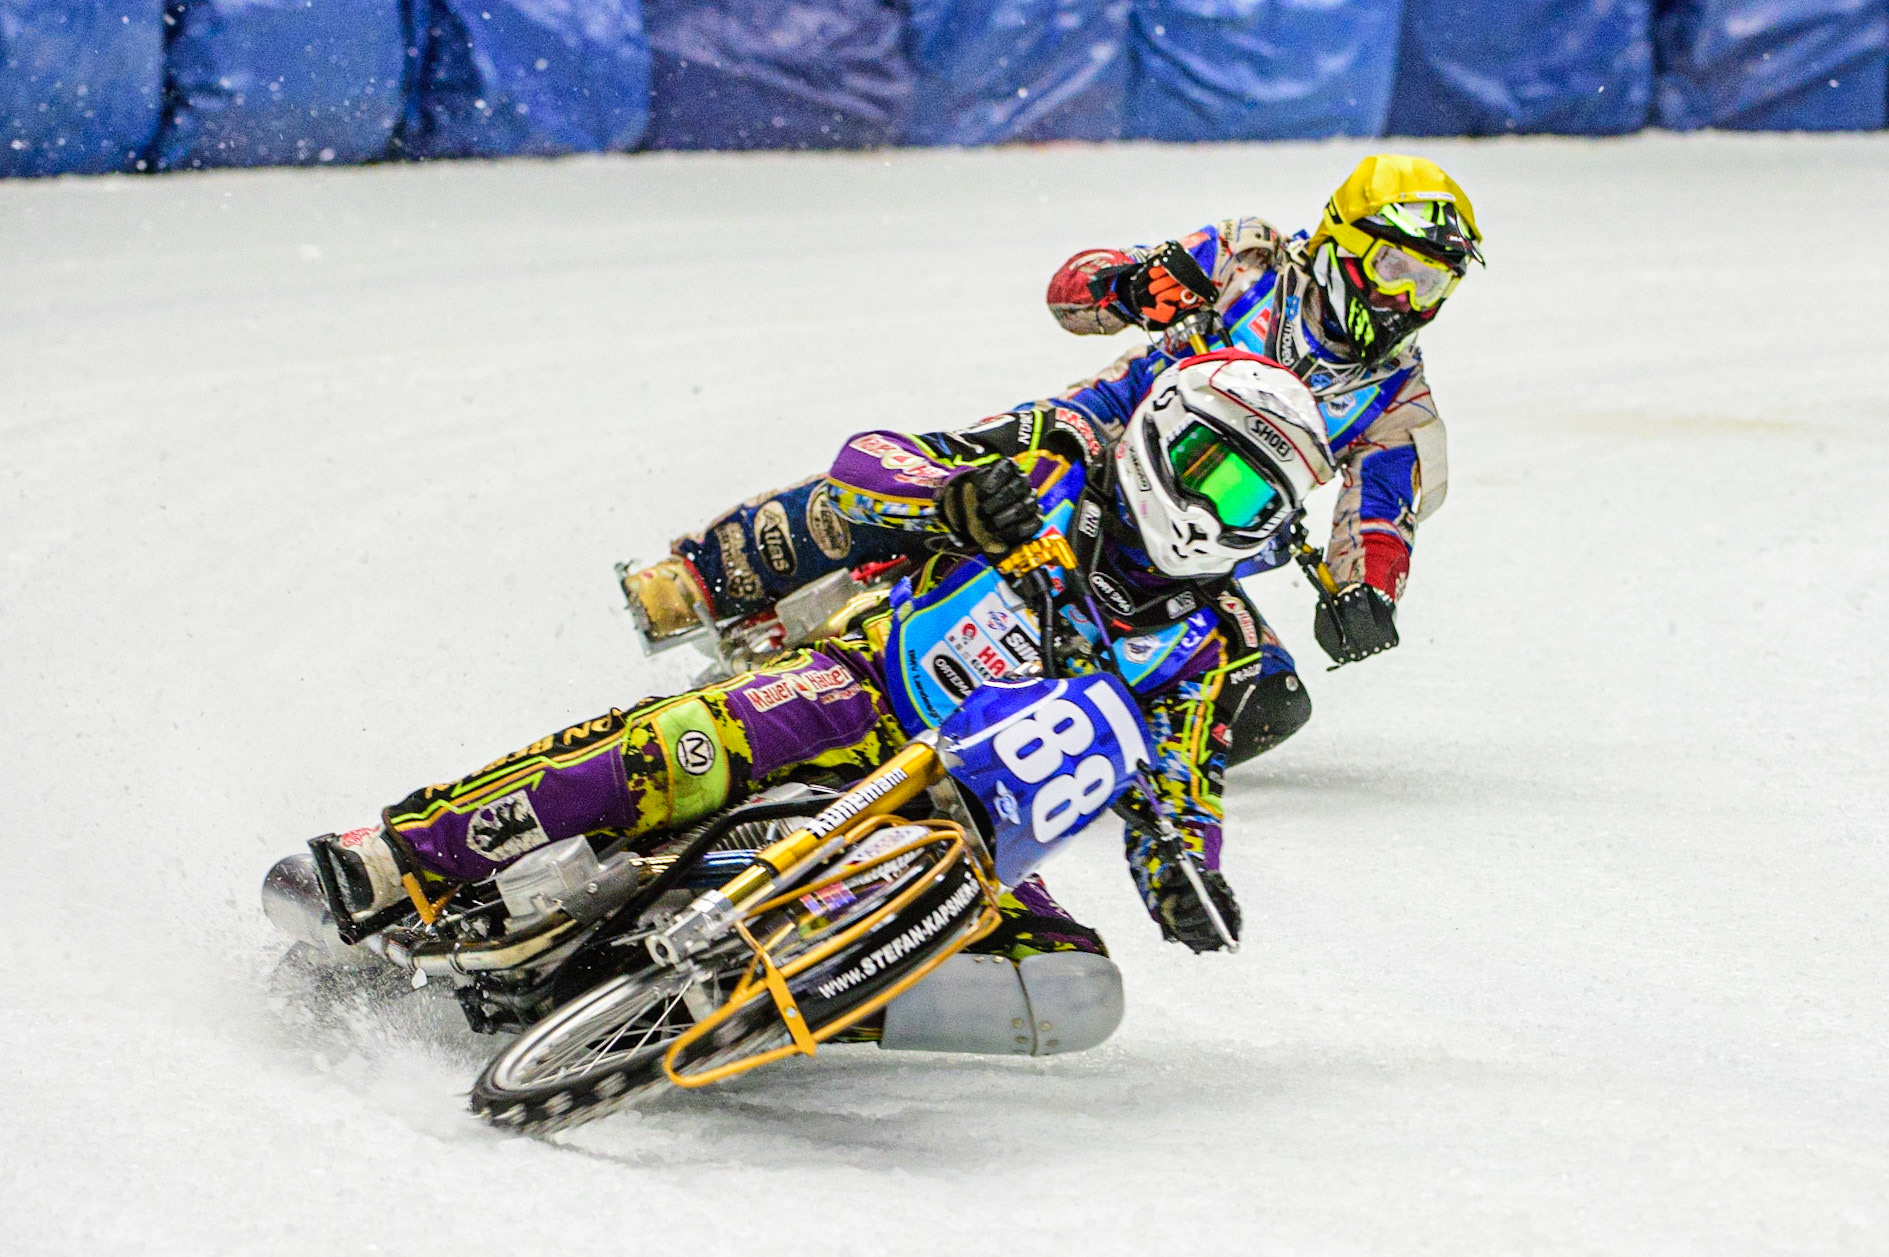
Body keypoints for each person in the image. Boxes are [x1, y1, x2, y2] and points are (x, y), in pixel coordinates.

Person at [325, 352, 1334, 1056]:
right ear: (1162, 434)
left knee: (1075, 991)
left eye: (1252, 505)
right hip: (857, 693)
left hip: (968, 829)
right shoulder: (1055, 462)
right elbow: (867, 461)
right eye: (1212, 476)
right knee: (684, 744)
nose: (1214, 516)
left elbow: (1182, 788)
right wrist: (949, 496)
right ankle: (403, 855)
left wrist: (1182, 876)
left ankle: (750, 1006)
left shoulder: (1206, 647)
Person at [622, 153, 1481, 763]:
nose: (1407, 301)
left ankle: (1044, 753)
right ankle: (706, 575)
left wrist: (1368, 593)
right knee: (942, 483)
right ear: (1341, 239)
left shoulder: (1398, 400)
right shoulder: (1247, 257)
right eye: (1397, 267)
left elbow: (1381, 518)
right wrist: (1130, 285)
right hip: (1094, 438)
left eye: (1434, 284)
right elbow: (1070, 295)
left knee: (1268, 701)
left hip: (1191, 544)